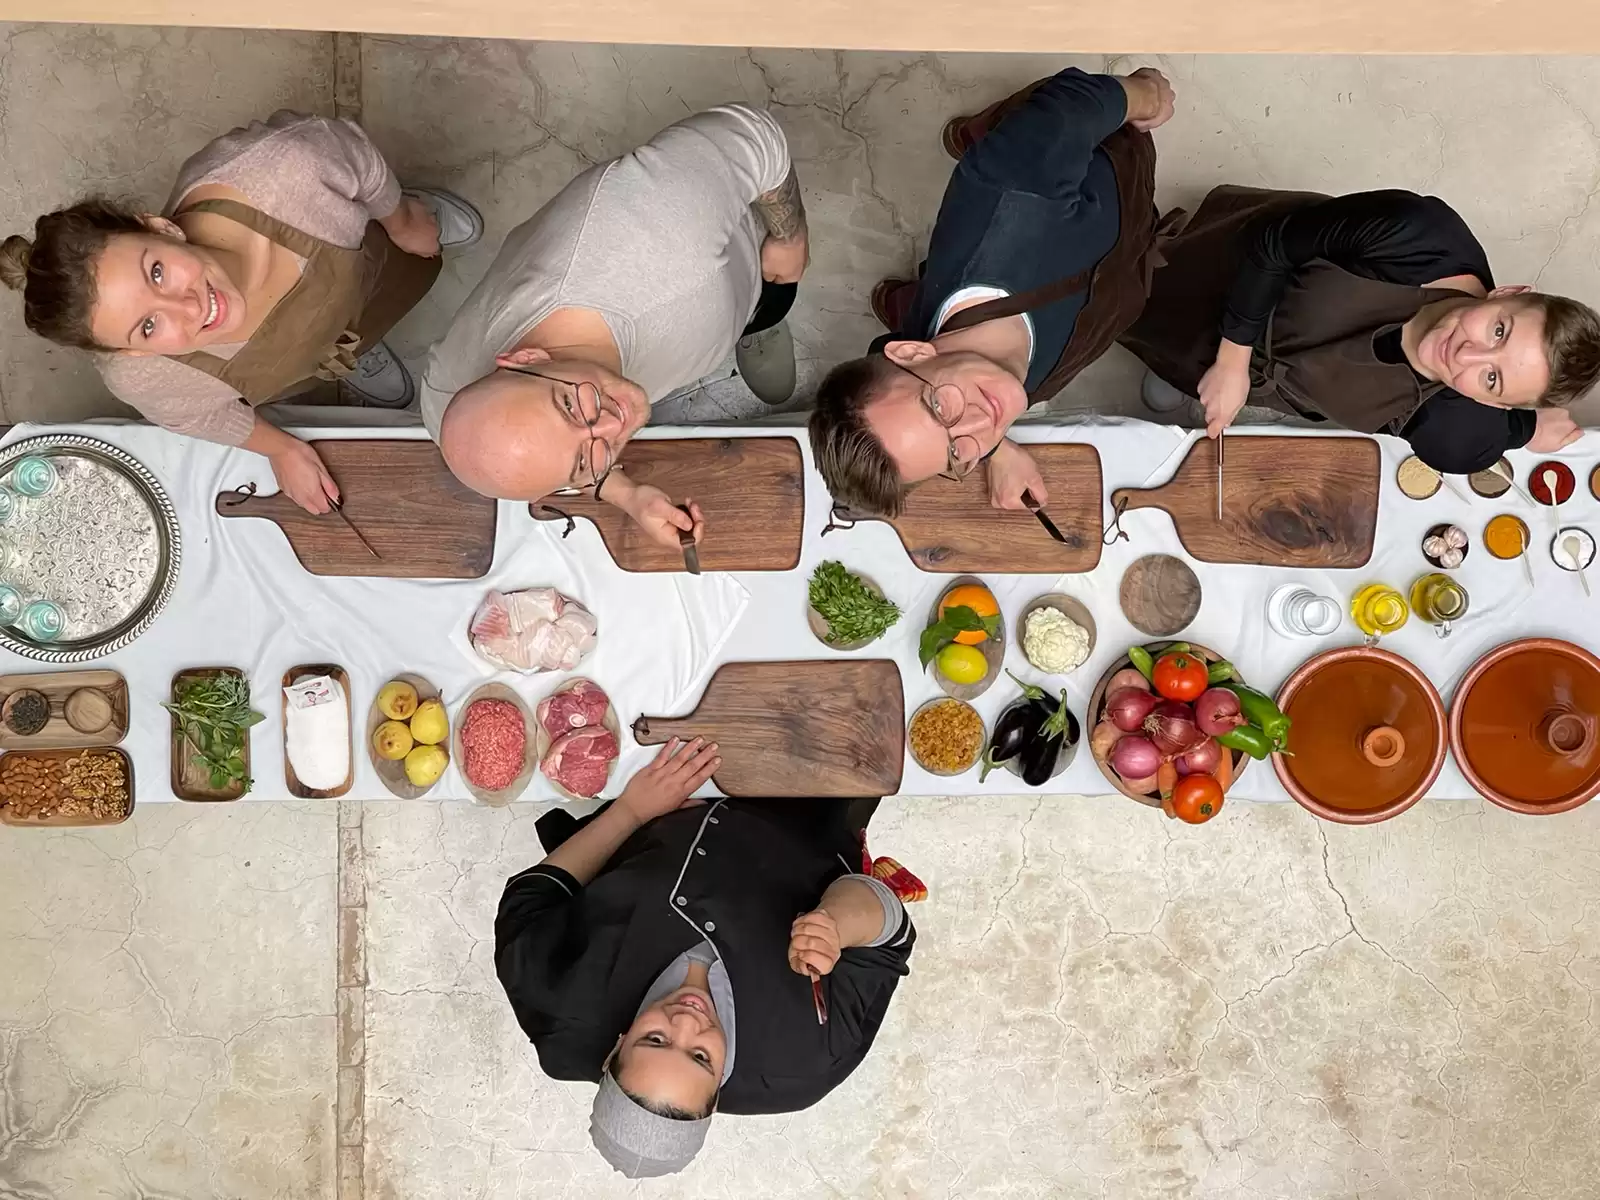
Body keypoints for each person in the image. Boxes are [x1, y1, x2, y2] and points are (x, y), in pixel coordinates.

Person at [0, 110, 482, 514]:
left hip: (368, 258)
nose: (187, 307)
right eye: (148, 326)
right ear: (131, 352)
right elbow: (202, 418)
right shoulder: (145, 379)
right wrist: (281, 449)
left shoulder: (289, 168)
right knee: (352, 336)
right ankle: (355, 351)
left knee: (395, 265)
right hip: (320, 350)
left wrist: (399, 220)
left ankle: (412, 210)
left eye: (158, 273)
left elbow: (359, 160)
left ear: (162, 230)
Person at [494, 739, 915, 1178]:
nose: (686, 1022)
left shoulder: (555, 1001)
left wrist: (631, 812)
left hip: (662, 777)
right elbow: (893, 936)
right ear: (718, 1095)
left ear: (612, 1051)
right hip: (812, 795)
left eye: (654, 1040)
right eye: (700, 1056)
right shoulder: (809, 1058)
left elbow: (533, 894)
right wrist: (836, 923)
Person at [424, 104, 808, 550]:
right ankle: (749, 326)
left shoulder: (653, 221)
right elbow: (554, 459)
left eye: (570, 406)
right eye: (583, 461)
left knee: (774, 292)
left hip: (745, 255)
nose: (612, 424)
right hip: (712, 321)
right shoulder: (454, 418)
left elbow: (759, 139)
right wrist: (627, 495)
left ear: (525, 358)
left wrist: (788, 237)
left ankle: (764, 319)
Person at [808, 66, 1175, 517]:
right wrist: (996, 451)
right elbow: (904, 383)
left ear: (912, 354)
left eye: (940, 407)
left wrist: (1141, 96)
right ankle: (901, 299)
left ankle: (978, 132)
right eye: (955, 456)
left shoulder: (1012, 192)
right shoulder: (976, 401)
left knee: (1019, 132)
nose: (986, 423)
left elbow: (1071, 105)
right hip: (1120, 251)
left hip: (1097, 164)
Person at [1121, 188, 1600, 472]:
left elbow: (1504, 432)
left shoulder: (1459, 438)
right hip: (1239, 268)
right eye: (1499, 331)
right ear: (1506, 293)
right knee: (1137, 286)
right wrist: (1231, 361)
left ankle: (1174, 365)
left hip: (1278, 380)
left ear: (1494, 404)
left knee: (1171, 356)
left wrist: (1528, 427)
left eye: (1493, 379)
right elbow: (1274, 245)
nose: (1465, 356)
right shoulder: (1421, 232)